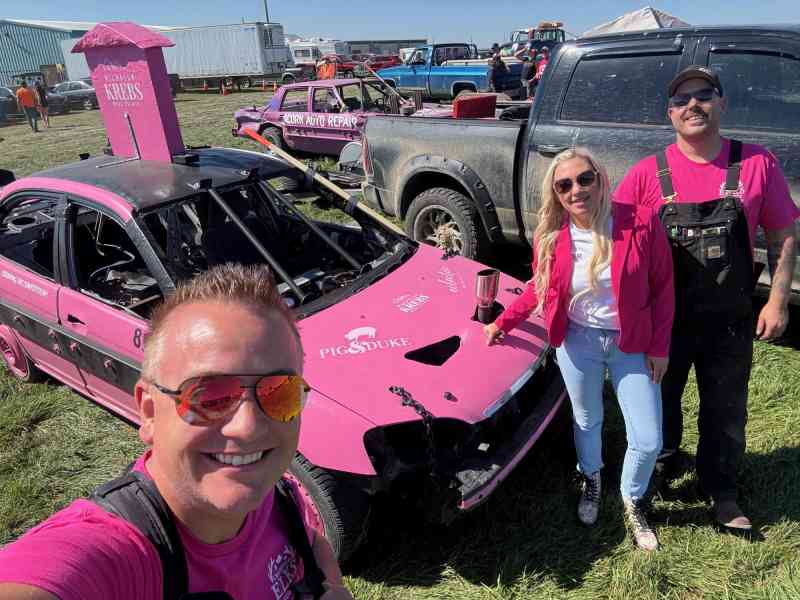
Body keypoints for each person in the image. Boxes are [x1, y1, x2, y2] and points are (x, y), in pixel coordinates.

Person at [0, 263, 352, 599]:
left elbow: (310, 542)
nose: (248, 427)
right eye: (210, 396)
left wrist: (333, 588)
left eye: (279, 391)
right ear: (149, 412)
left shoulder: (282, 495)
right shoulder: (113, 556)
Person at [614, 65, 799, 531]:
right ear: (669, 114)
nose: (691, 105)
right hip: (665, 323)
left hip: (730, 319)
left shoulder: (757, 163)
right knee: (661, 403)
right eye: (680, 100)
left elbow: (783, 235)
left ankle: (721, 491)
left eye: (703, 95)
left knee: (726, 407)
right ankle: (659, 470)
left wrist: (776, 301)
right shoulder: (645, 174)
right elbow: (614, 240)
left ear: (722, 103)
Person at [484, 148, 674, 550]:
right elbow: (539, 289)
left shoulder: (640, 221)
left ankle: (632, 497)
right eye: (564, 184)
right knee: (587, 420)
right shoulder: (552, 236)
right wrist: (503, 322)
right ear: (555, 193)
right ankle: (591, 477)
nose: (577, 190)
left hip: (632, 343)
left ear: (601, 177)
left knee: (648, 438)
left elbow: (663, 290)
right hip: (577, 341)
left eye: (584, 178)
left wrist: (660, 346)